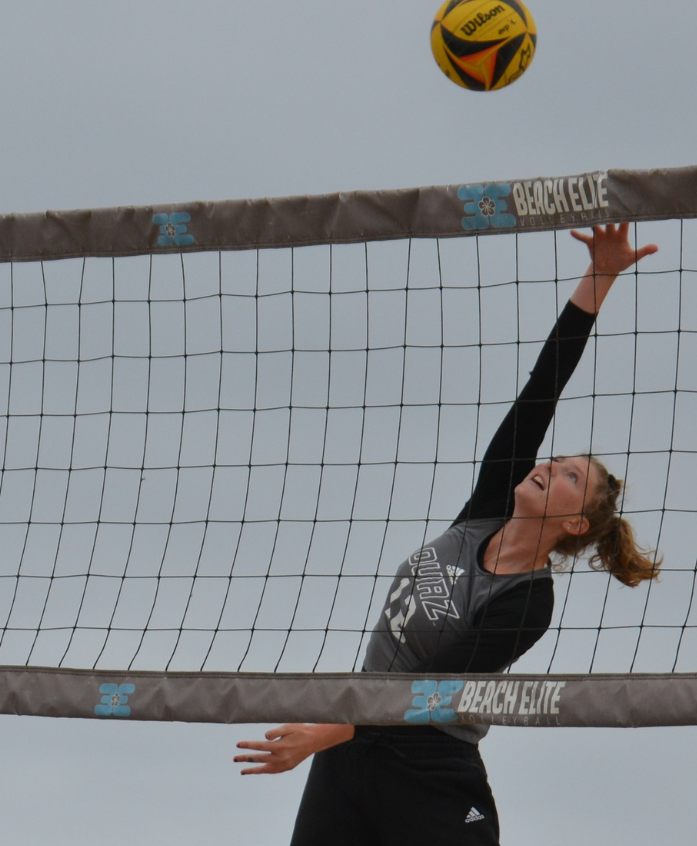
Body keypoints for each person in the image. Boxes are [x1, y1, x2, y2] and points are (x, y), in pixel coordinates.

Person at [234, 223, 661, 845]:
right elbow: (541, 392)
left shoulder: (528, 603)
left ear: (575, 523)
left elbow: (426, 692)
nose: (549, 466)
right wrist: (599, 276)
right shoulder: (487, 509)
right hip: (352, 744)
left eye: (571, 476)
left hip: (426, 763)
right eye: (556, 459)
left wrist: (320, 732)